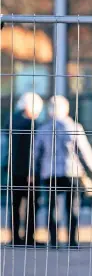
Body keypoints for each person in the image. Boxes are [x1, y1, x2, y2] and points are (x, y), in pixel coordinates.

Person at [35, 95, 92, 248]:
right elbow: (84, 151)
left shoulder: (43, 129)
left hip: (50, 173)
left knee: (53, 207)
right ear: (66, 110)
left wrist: (34, 171)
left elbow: (36, 153)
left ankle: (53, 241)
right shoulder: (74, 127)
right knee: (73, 206)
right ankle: (72, 240)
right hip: (72, 172)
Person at [5, 92, 44, 246]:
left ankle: (15, 237)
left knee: (15, 206)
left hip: (13, 170)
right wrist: (32, 171)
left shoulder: (11, 122)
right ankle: (29, 237)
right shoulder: (31, 125)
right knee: (31, 206)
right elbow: (32, 151)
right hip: (29, 173)